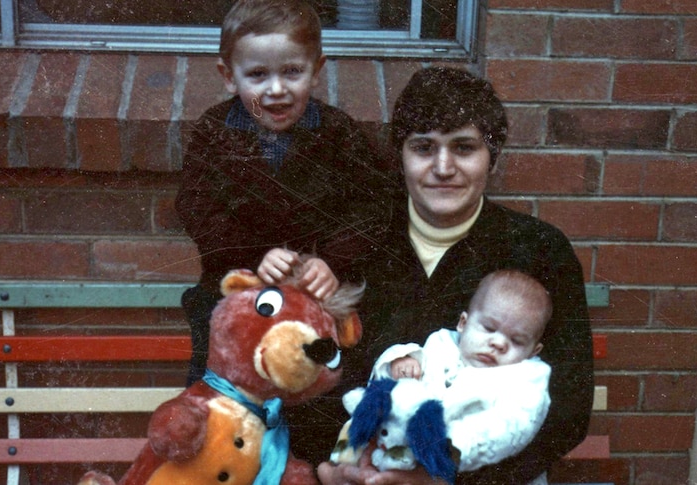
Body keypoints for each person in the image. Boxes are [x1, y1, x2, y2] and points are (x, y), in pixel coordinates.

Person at [304, 66, 594, 485]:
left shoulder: (539, 250)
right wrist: (327, 467)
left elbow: (568, 407)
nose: (443, 167)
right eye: (424, 147)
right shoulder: (354, 246)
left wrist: (445, 480)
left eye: (463, 148)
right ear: (400, 155)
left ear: (491, 157)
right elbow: (308, 371)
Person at [175, 0, 387, 385]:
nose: (276, 90)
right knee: (219, 400)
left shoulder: (338, 133)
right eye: (257, 75)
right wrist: (256, 255)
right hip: (235, 295)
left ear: (317, 70)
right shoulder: (214, 132)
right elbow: (196, 208)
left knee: (323, 394)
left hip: (315, 300)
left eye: (292, 72)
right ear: (228, 76)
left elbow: (372, 208)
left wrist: (333, 263)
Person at [335, 270, 553, 483]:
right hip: (406, 452)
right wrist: (400, 361)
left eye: (516, 341)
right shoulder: (442, 344)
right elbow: (397, 388)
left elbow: (511, 426)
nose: (498, 343)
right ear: (463, 323)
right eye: (488, 328)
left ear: (534, 351)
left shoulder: (526, 380)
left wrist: (453, 444)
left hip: (475, 467)